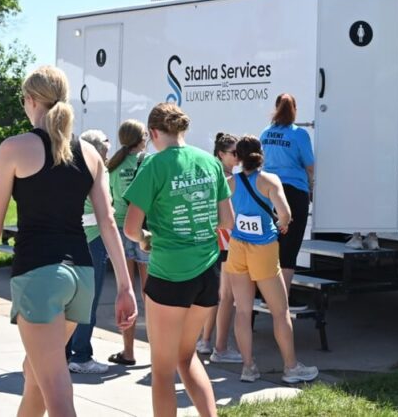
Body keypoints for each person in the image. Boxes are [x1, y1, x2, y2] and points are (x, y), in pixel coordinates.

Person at [0, 66, 137, 417]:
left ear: (32, 100)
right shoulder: (90, 154)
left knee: (54, 383)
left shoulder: (14, 148)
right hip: (81, 275)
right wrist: (126, 287)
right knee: (35, 372)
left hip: (39, 274)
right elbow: (108, 223)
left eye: (23, 100)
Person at [123, 103, 234, 417]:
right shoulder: (210, 162)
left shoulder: (155, 165)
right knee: (186, 357)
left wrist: (147, 240)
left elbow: (131, 228)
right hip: (208, 273)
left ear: (155, 133)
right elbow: (227, 221)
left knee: (162, 369)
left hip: (169, 273)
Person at [226, 135, 318, 384]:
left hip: (237, 247)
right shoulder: (270, 180)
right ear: (261, 155)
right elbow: (286, 214)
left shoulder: (230, 182)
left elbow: (223, 218)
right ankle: (291, 367)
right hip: (264, 248)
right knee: (280, 311)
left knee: (243, 311)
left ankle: (248, 367)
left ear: (238, 158)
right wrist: (282, 225)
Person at [65, 128, 113, 375]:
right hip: (92, 242)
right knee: (87, 303)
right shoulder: (96, 172)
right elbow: (105, 214)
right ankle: (81, 355)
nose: (108, 154)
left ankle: (62, 354)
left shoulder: (68, 170)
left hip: (69, 241)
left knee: (68, 300)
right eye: (106, 149)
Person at [259, 94, 314, 299]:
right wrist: (312, 185)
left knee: (271, 245)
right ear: (295, 109)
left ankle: (265, 295)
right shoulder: (299, 134)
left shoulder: (265, 133)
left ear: (275, 108)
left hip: (269, 192)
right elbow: (309, 164)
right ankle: (282, 299)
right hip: (293, 192)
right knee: (289, 250)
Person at [105, 119, 149, 367]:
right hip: (143, 230)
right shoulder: (148, 162)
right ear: (141, 139)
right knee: (150, 294)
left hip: (120, 230)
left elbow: (110, 198)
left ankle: (128, 351)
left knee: (125, 290)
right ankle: (159, 352)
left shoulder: (112, 166)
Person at [196, 132, 242, 363]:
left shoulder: (214, 174)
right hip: (224, 240)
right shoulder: (225, 178)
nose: (239, 157)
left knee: (217, 294)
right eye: (234, 153)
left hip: (216, 239)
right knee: (226, 296)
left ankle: (206, 341)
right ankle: (220, 348)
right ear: (221, 154)